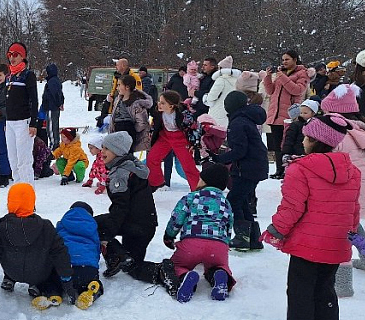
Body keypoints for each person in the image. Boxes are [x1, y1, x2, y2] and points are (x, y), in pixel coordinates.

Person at [260, 114, 360, 320]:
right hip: (336, 242)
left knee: (300, 289)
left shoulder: (300, 169)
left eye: (306, 137)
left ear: (315, 140)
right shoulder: (352, 171)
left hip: (306, 243)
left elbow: (292, 207)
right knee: (325, 289)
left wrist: (276, 231)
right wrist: (351, 233)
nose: (303, 141)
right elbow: (353, 208)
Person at [0, 183, 76, 312]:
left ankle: (9, 279)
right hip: (38, 274)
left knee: (4, 249)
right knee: (52, 253)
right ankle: (37, 285)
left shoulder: (4, 227)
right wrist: (67, 280)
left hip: (12, 271)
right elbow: (60, 254)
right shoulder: (45, 226)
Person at [320, 84, 365, 280]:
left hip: (350, 195)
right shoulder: (360, 128)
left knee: (339, 235)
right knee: (351, 224)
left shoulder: (337, 133)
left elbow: (327, 166)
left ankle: (343, 282)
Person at [161, 163, 235, 302]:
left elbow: (177, 218)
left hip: (192, 244)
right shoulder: (226, 203)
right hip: (218, 246)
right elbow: (228, 225)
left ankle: (184, 276)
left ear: (204, 181)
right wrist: (225, 243)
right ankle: (220, 276)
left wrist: (169, 236)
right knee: (218, 266)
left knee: (176, 266)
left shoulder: (191, 197)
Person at [93, 132, 159, 284]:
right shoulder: (133, 166)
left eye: (107, 148)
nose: (102, 151)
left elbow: (120, 207)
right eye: (102, 147)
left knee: (93, 224)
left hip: (135, 224)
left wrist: (106, 236)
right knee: (133, 266)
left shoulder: (120, 174)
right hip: (146, 226)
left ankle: (116, 256)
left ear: (118, 151)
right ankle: (164, 272)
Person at [214, 91, 268, 251]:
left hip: (248, 167)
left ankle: (242, 237)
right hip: (253, 165)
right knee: (242, 200)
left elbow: (240, 150)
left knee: (234, 200)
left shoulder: (238, 122)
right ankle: (253, 239)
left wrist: (220, 159)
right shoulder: (244, 118)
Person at [263, 50, 309, 179]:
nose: (284, 62)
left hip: (290, 115)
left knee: (287, 144)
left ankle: (287, 169)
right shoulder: (281, 73)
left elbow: (297, 90)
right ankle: (279, 169)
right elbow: (270, 91)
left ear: (295, 60)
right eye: (283, 60)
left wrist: (282, 77)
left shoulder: (302, 73)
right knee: (277, 145)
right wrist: (268, 77)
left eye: (287, 59)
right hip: (275, 114)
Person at [146, 91, 201, 191]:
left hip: (181, 139)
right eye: (159, 101)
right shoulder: (157, 112)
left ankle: (198, 189)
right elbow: (155, 124)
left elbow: (194, 128)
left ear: (171, 106)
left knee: (188, 166)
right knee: (152, 158)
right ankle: (156, 183)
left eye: (163, 103)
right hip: (165, 137)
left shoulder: (184, 114)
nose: (159, 104)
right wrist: (151, 132)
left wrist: (193, 143)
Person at [56, 201, 103, 310]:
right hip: (87, 269)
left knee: (55, 282)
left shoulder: (62, 223)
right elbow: (97, 248)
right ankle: (91, 291)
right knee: (92, 282)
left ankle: (53, 294)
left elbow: (54, 243)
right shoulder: (92, 227)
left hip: (64, 268)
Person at [4, 42, 39, 184]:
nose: (12, 58)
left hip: (23, 122)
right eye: (10, 55)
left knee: (24, 161)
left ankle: (28, 192)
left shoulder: (28, 75)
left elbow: (34, 100)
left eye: (15, 55)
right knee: (13, 160)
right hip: (10, 123)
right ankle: (18, 190)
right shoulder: (10, 77)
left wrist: (33, 123)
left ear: (22, 57)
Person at [107, 75, 152, 153]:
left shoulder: (136, 103)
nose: (117, 88)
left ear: (127, 87)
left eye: (119, 85)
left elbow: (142, 122)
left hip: (128, 130)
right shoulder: (118, 99)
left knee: (126, 154)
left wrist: (133, 130)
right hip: (117, 129)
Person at [203, 56, 240, 127]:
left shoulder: (221, 79)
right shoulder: (236, 80)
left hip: (217, 111)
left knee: (216, 131)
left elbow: (212, 96)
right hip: (230, 111)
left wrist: (206, 99)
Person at [281, 100, 318, 169]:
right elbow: (289, 139)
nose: (302, 115)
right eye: (301, 113)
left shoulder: (317, 125)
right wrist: (286, 152)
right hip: (297, 153)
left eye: (305, 113)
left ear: (313, 113)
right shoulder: (296, 125)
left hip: (312, 154)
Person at [41, 63, 65, 150]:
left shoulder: (52, 81)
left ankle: (54, 145)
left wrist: (59, 103)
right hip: (52, 107)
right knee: (53, 126)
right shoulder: (54, 80)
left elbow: (56, 94)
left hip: (52, 107)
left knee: (51, 127)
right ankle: (55, 144)